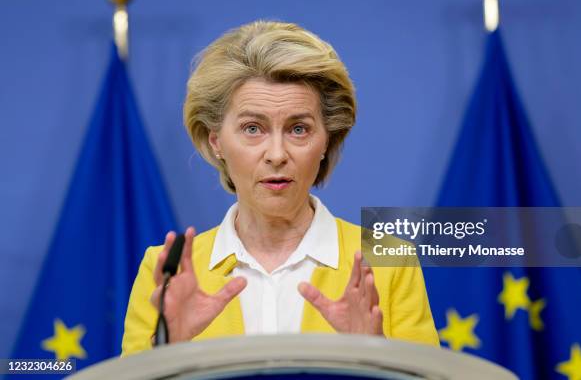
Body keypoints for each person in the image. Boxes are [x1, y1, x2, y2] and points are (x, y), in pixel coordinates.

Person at [121, 20, 439, 356]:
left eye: (299, 129)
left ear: (326, 141)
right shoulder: (167, 272)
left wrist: (377, 359)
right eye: (253, 128)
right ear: (216, 141)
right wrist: (166, 355)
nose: (277, 154)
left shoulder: (387, 263)